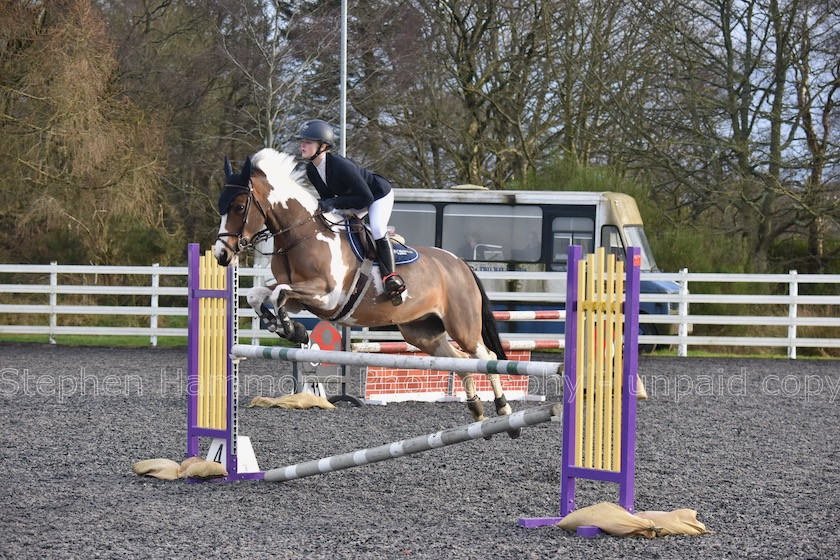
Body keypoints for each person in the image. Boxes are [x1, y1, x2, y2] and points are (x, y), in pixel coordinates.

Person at [295, 119, 406, 305]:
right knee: (336, 225)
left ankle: (390, 277)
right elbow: (328, 198)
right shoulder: (311, 170)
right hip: (357, 199)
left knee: (377, 228)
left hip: (378, 195)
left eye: (308, 142)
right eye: (302, 142)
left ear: (322, 146)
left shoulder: (340, 165)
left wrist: (334, 203)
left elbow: (366, 198)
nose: (302, 145)